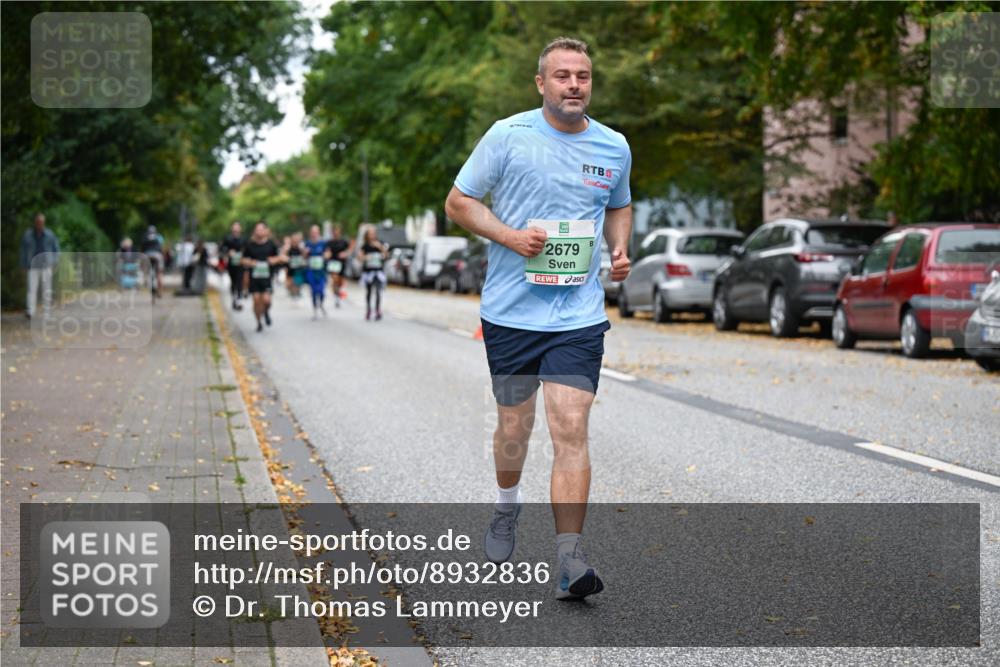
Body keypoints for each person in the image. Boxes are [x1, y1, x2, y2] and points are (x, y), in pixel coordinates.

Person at [444, 37, 632, 600]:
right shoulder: (508, 136)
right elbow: (458, 202)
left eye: (583, 76)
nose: (574, 85)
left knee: (571, 427)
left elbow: (618, 204)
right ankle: (506, 506)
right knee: (514, 431)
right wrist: (509, 236)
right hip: (510, 313)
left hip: (576, 314)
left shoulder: (614, 145)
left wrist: (620, 249)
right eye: (562, 76)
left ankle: (570, 560)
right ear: (541, 83)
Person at [242, 221, 285, 332]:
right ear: (254, 232)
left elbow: (280, 257)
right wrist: (251, 262)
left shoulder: (271, 244)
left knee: (266, 301)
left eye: (261, 229)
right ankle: (258, 322)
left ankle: (265, 311)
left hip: (267, 278)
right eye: (257, 230)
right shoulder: (249, 245)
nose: (259, 232)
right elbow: (243, 260)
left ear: (266, 231)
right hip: (254, 278)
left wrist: (273, 260)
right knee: (256, 300)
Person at [20, 212, 60, 319]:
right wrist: (23, 264)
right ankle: (30, 311)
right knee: (31, 289)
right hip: (32, 266)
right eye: (38, 222)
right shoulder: (28, 235)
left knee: (47, 289)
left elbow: (56, 250)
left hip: (46, 266)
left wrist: (54, 262)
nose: (39, 224)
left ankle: (47, 312)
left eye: (41, 222)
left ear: (44, 223)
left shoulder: (50, 234)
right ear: (35, 222)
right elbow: (23, 251)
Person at [359, 226, 388, 321]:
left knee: (378, 291)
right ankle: (368, 310)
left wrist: (379, 246)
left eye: (373, 233)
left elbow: (386, 255)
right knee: (369, 291)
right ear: (367, 235)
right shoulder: (365, 246)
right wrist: (366, 258)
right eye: (370, 233)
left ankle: (377, 310)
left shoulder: (380, 243)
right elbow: (360, 257)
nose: (372, 235)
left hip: (378, 271)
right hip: (368, 272)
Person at [304, 224, 329, 319]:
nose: (314, 234)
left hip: (321, 270)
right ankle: (315, 309)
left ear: (318, 233)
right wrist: (305, 253)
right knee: (313, 291)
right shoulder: (308, 243)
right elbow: (304, 256)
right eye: (312, 232)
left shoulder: (323, 243)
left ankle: (321, 303)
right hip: (311, 270)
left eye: (316, 232)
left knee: (321, 290)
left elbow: (328, 253)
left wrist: (325, 255)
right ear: (310, 233)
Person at [221, 221, 246, 310]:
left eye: (237, 227)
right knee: (233, 281)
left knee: (240, 280)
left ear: (240, 229)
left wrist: (243, 254)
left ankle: (239, 299)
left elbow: (248, 250)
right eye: (234, 227)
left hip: (240, 263)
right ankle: (233, 297)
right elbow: (222, 249)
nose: (236, 229)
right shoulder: (227, 238)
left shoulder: (244, 239)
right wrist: (228, 252)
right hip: (231, 264)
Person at [325, 225, 351, 307]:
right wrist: (327, 254)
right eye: (334, 231)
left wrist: (345, 254)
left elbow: (349, 250)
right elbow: (326, 251)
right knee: (334, 280)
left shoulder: (343, 242)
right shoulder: (329, 242)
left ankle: (338, 295)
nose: (336, 233)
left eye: (337, 231)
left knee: (340, 282)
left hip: (342, 263)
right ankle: (336, 297)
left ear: (339, 232)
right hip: (333, 263)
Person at [139, 225, 165, 298]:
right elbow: (161, 247)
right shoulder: (159, 237)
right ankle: (160, 291)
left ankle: (146, 278)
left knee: (145, 269)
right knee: (159, 273)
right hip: (157, 255)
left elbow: (142, 249)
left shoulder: (145, 237)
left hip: (147, 255)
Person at [284, 232, 306, 299]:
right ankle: (292, 292)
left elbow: (304, 256)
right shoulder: (288, 248)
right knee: (290, 283)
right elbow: (283, 255)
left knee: (298, 282)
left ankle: (297, 292)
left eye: (297, 239)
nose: (295, 240)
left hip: (298, 268)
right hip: (290, 267)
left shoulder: (300, 247)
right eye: (294, 239)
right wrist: (287, 259)